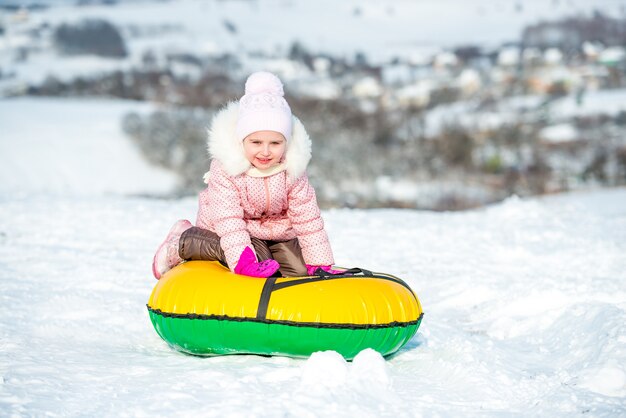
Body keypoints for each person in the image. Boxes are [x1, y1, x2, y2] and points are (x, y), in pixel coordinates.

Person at [152, 71, 340, 279]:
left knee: (301, 271)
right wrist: (243, 261)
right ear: (242, 141)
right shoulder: (228, 169)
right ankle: (184, 241)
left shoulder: (291, 169)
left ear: (286, 142)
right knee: (259, 256)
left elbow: (307, 217)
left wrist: (319, 262)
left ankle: (269, 257)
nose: (266, 152)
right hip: (227, 229)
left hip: (276, 234)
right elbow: (228, 219)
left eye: (275, 143)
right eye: (256, 142)